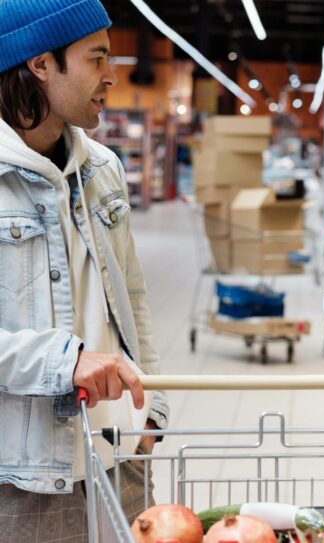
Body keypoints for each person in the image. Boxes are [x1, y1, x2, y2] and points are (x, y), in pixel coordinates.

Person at [0, 0, 169, 538]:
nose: (111, 76)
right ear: (40, 64)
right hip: (24, 479)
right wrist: (61, 360)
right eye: (97, 59)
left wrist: (154, 414)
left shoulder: (103, 169)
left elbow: (133, 296)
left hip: (121, 459)